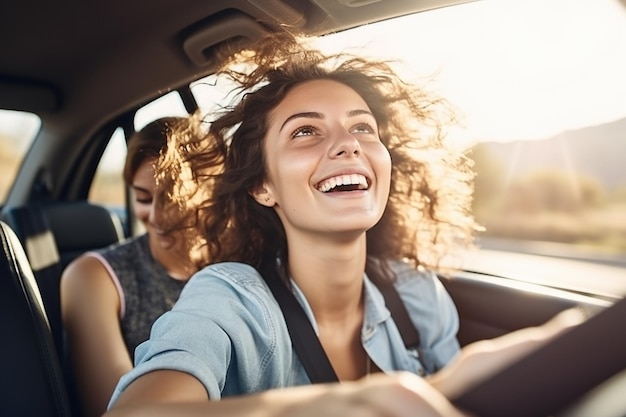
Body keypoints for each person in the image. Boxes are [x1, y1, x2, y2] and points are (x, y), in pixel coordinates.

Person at [105, 32, 583, 417]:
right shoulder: (229, 298)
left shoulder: (414, 291)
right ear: (262, 186)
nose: (348, 144)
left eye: (362, 128)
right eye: (306, 131)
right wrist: (345, 404)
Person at [60, 116, 206, 417]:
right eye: (142, 198)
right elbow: (116, 407)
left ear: (213, 190)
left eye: (171, 198)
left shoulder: (243, 262)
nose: (155, 216)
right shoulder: (93, 276)